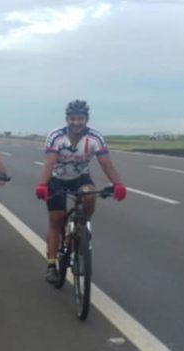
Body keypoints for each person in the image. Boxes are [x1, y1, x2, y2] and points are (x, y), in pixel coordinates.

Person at [35, 100, 126, 285]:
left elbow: (106, 163)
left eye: (81, 119)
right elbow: (50, 162)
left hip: (79, 178)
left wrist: (118, 184)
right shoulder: (55, 136)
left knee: (90, 194)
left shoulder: (95, 138)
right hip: (57, 180)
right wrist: (43, 185)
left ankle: (81, 228)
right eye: (73, 119)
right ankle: (52, 265)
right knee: (56, 219)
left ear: (87, 119)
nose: (77, 122)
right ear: (67, 119)